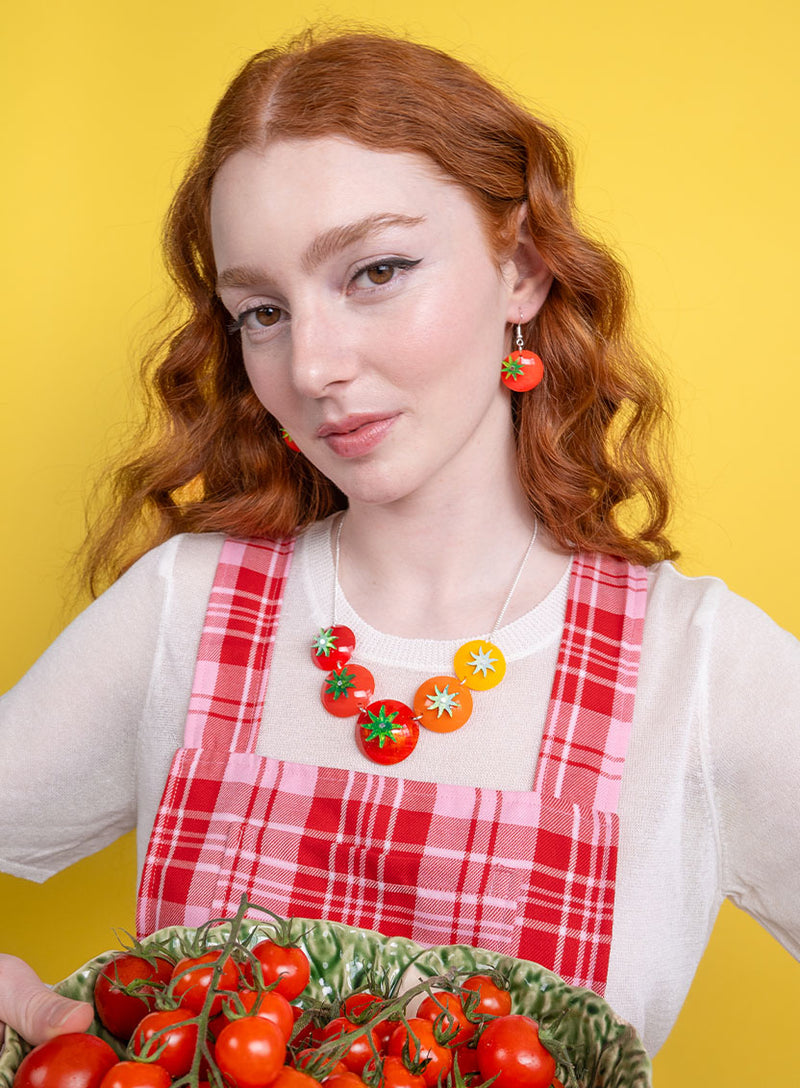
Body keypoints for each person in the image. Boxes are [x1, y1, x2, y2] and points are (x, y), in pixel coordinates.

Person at [1, 28, 798, 1063]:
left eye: (375, 269)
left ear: (519, 270)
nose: (314, 364)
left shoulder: (696, 669)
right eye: (262, 311)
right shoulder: (184, 606)